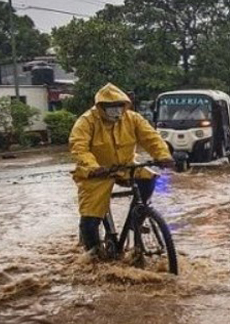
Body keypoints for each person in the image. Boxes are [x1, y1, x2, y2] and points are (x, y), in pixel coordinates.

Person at [69, 83, 174, 255]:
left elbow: (151, 138)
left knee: (148, 178)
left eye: (119, 106)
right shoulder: (86, 121)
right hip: (97, 172)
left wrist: (164, 156)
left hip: (127, 166)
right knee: (90, 217)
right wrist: (93, 167)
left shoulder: (133, 119)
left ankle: (137, 219)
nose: (116, 110)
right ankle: (93, 254)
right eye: (111, 106)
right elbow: (79, 147)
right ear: (101, 107)